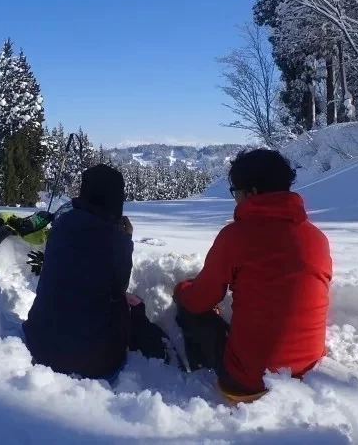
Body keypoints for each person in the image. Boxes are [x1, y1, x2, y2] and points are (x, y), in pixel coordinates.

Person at [172, 149, 332, 399]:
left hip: (250, 379)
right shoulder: (317, 238)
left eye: (235, 191)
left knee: (189, 308)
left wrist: (181, 288)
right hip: (309, 369)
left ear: (252, 193)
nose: (235, 199)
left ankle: (198, 370)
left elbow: (199, 299)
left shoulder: (236, 237)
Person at [22, 164, 179, 381]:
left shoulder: (61, 224)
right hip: (92, 361)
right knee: (131, 307)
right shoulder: (112, 237)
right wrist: (125, 240)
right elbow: (119, 286)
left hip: (38, 343)